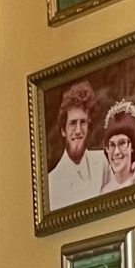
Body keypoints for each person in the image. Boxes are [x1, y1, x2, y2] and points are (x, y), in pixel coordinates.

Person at [47, 81, 108, 210]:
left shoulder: (103, 161)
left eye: (83, 122)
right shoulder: (51, 183)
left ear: (89, 127)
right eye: (73, 123)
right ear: (63, 130)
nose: (78, 130)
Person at [102, 99, 135, 190]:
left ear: (132, 146)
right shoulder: (105, 190)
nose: (116, 152)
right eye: (112, 145)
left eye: (122, 143)